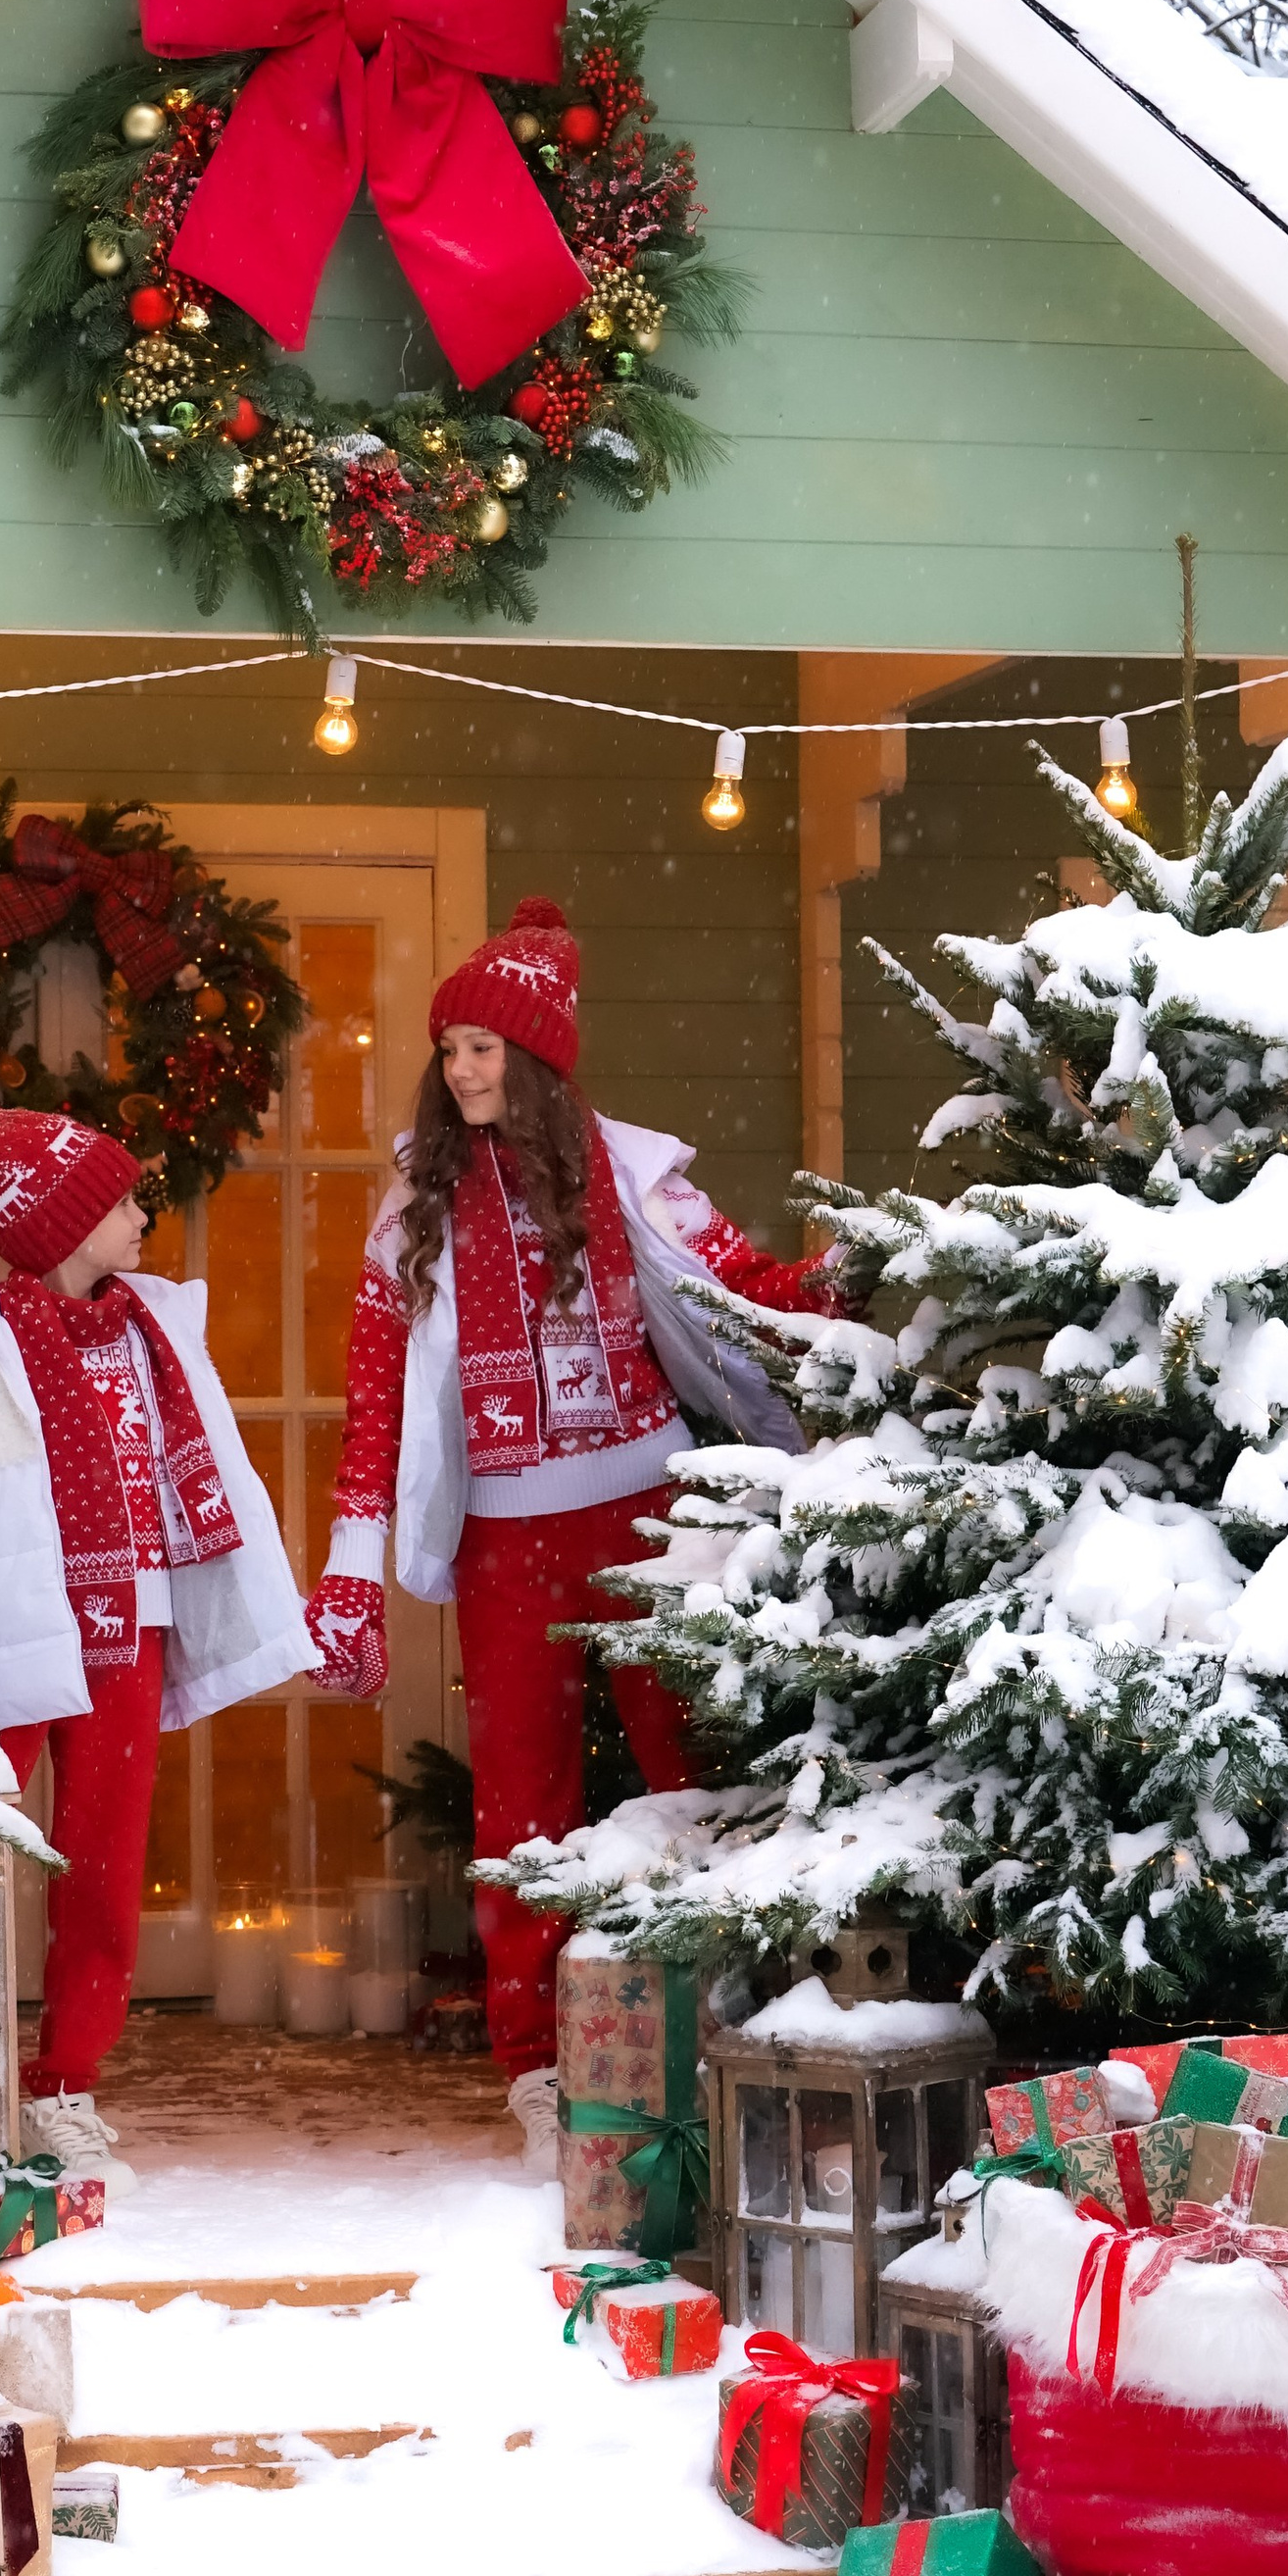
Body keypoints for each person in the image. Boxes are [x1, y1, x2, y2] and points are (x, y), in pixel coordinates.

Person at [303, 896, 842, 2170]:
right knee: (522, 1815)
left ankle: (732, 2027)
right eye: (451, 1050)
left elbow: (737, 1284)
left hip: (648, 1516)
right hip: (505, 1538)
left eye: (486, 1047)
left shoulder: (634, 1174)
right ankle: (537, 2069)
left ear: (539, 1055)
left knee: (692, 1772)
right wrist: (352, 1566)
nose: (464, 1069)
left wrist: (835, 1290)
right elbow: (374, 1387)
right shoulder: (416, 1207)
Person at [0, 1093, 312, 2196]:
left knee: (104, 1871)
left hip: (132, 1633)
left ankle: (67, 2083)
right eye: (123, 1202)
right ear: (64, 1227)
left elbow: (202, 1474)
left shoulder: (156, 1334)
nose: (142, 1219)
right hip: (16, 1640)